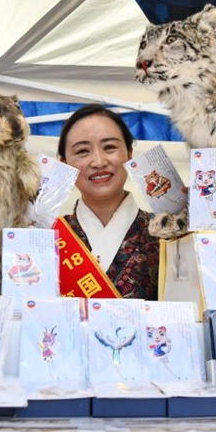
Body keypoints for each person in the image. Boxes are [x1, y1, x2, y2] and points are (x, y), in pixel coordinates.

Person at [58, 103, 160, 300]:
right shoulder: (49, 239)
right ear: (64, 164)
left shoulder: (166, 235)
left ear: (130, 153)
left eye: (110, 147)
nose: (98, 162)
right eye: (82, 151)